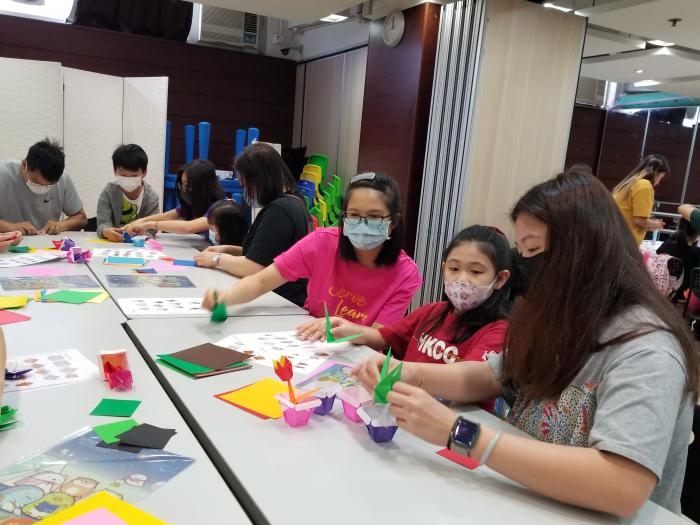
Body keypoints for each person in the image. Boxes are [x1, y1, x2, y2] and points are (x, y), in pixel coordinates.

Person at [354, 172, 697, 517]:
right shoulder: (561, 319)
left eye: (534, 249)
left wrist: (458, 432)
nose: (523, 265)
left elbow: (622, 485)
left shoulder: (648, 347)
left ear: (585, 249)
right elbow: (489, 376)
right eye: (522, 251)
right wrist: (405, 370)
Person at [202, 172, 422, 331]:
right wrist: (226, 298)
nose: (362, 223)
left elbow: (380, 336)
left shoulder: (406, 274)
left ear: (393, 222)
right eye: (353, 215)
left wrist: (339, 327)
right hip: (309, 339)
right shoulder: (322, 243)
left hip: (357, 357)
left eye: (374, 216)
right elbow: (262, 281)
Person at [329, 225, 511, 364]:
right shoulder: (432, 312)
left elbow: (467, 379)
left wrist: (398, 369)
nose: (462, 279)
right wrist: (346, 329)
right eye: (454, 269)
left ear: (500, 279)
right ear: (443, 268)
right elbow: (385, 337)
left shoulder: (499, 331)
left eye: (476, 272)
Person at [195, 143, 311, 306]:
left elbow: (254, 267)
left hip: (280, 300)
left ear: (261, 179)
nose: (246, 192)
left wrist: (216, 259)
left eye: (245, 185)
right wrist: (230, 250)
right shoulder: (295, 202)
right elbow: (270, 254)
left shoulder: (279, 210)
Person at [0, 139, 87, 235]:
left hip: (45, 244)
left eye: (49, 186)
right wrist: (11, 227)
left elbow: (81, 218)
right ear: (24, 165)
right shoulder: (3, 173)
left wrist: (61, 225)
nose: (42, 188)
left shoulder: (63, 179)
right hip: (7, 243)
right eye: (36, 182)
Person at [124, 159, 224, 238]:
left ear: (202, 187)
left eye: (187, 185)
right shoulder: (194, 204)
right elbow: (167, 216)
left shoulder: (219, 209)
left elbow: (188, 227)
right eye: (183, 185)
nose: (184, 190)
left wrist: (147, 225)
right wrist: (138, 222)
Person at [96, 144, 160, 242]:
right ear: (114, 171)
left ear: (144, 172)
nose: (128, 180)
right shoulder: (108, 193)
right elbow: (103, 224)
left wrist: (140, 237)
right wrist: (105, 231)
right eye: (123, 175)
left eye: (134, 176)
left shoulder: (151, 198)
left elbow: (151, 230)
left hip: (139, 248)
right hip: (113, 245)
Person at [612, 154, 668, 245]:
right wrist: (656, 224)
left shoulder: (630, 182)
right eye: (660, 177)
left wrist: (649, 225)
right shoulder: (644, 185)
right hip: (624, 243)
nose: (658, 182)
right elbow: (640, 220)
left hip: (615, 237)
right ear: (656, 172)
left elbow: (629, 215)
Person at [656, 219, 700, 302]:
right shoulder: (697, 253)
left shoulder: (666, 245)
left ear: (678, 227)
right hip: (686, 298)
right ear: (697, 233)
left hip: (663, 291)